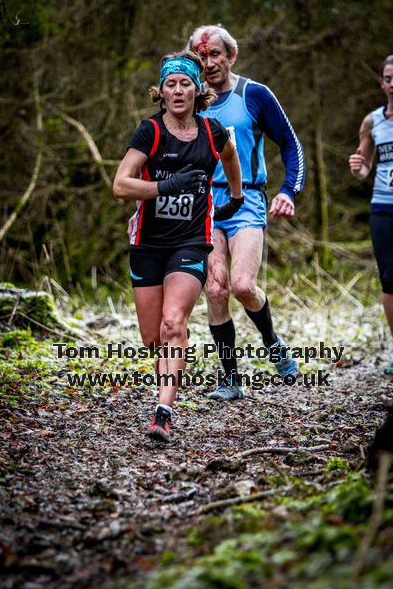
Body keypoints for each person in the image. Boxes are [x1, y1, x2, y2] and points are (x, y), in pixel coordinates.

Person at [114, 51, 244, 441]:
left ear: (196, 89)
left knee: (175, 323)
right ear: (161, 91)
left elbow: (231, 155)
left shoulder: (212, 131)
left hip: (191, 241)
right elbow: (120, 184)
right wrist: (165, 187)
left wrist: (234, 198)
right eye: (170, 84)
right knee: (153, 338)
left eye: (184, 83)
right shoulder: (150, 132)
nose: (177, 90)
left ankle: (163, 412)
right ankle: (167, 382)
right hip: (148, 243)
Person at [186, 25, 306, 399]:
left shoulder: (254, 95)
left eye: (215, 55)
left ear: (231, 56)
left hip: (248, 200)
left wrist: (289, 190)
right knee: (216, 288)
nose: (209, 63)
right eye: (202, 57)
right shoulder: (190, 103)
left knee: (241, 286)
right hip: (206, 205)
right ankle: (230, 381)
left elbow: (291, 144)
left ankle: (273, 343)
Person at [349, 53, 393, 375]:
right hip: (384, 208)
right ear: (381, 83)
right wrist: (359, 168)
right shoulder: (373, 121)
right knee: (391, 281)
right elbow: (364, 168)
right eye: (389, 79)